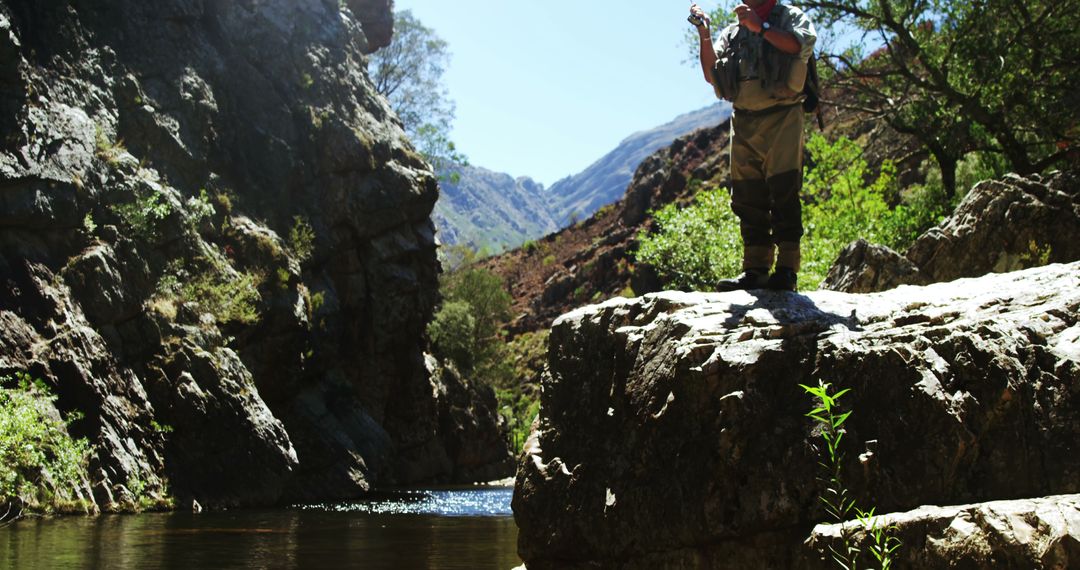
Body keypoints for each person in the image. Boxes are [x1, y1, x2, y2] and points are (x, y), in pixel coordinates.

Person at [690, 1, 816, 291]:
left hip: (782, 116)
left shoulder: (790, 17)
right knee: (747, 197)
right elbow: (712, 74)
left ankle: (787, 269)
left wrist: (762, 28)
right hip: (743, 120)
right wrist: (704, 33)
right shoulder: (733, 33)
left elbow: (800, 44)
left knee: (784, 191)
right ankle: (755, 269)